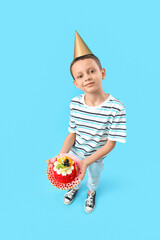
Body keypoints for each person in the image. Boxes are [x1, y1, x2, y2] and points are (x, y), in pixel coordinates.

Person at [58, 31, 127, 213]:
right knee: (73, 174)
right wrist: (60, 156)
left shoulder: (116, 108)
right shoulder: (75, 103)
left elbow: (110, 144)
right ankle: (74, 186)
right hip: (75, 151)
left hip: (96, 156)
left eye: (91, 71)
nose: (87, 77)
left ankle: (91, 192)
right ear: (75, 83)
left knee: (93, 179)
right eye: (80, 76)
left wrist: (87, 162)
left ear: (102, 73)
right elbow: (71, 134)